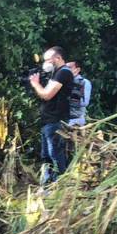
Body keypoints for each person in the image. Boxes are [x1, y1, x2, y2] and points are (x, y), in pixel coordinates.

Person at [29, 46, 75, 184]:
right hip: (47, 120)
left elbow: (47, 94)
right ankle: (47, 185)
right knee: (46, 155)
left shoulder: (63, 73)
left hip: (56, 120)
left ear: (58, 58)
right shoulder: (56, 73)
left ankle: (59, 183)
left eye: (48, 60)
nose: (46, 63)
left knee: (55, 153)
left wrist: (35, 84)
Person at [68, 60, 92, 127]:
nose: (66, 70)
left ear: (77, 69)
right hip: (61, 119)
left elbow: (85, 103)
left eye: (69, 67)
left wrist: (69, 98)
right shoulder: (63, 81)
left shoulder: (84, 82)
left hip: (75, 120)